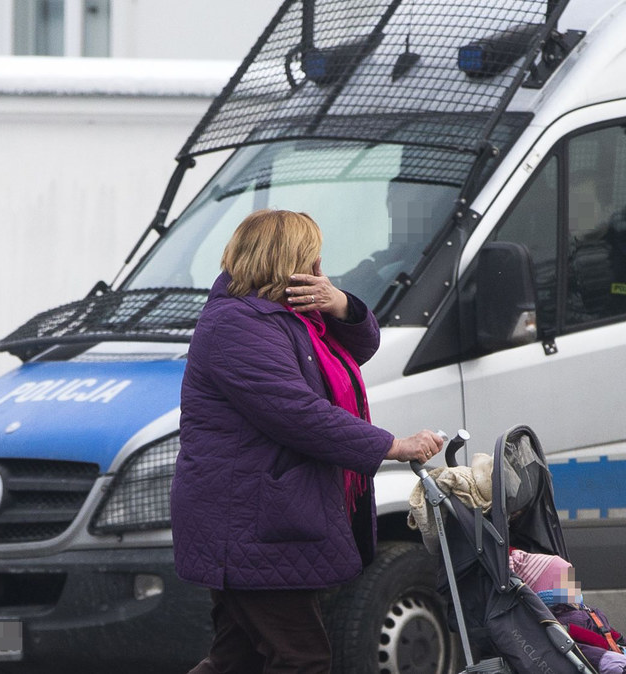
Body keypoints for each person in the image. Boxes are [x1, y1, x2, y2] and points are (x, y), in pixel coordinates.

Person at [171, 209, 445, 674]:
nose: (321, 264)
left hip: (260, 519)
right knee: (302, 659)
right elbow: (297, 413)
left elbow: (355, 351)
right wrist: (392, 446)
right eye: (314, 256)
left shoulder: (290, 318)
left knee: (236, 659)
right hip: (250, 522)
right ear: (293, 260)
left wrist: (341, 304)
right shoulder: (238, 325)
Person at [509, 550, 626, 674]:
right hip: (616, 664)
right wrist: (605, 658)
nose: (574, 585)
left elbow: (613, 636)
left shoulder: (585, 611)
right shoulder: (562, 621)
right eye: (566, 580)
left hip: (625, 657)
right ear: (549, 588)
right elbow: (580, 648)